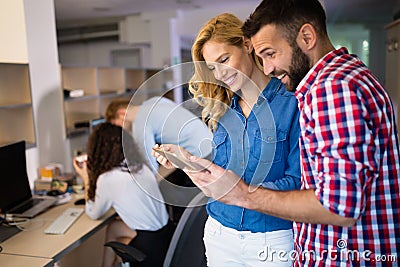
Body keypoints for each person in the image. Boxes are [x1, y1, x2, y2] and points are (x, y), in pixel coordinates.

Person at [177, 1, 400, 266]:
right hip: (225, 233)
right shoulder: (229, 107)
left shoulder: (329, 90)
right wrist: (194, 165)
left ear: (307, 37)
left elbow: (338, 203)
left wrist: (244, 194)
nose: (268, 67)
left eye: (270, 53)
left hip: (300, 245)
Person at [154, 13, 301, 266]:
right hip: (220, 234)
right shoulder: (222, 110)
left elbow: (299, 182)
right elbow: (224, 173)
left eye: (224, 59)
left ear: (246, 44)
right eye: (212, 67)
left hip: (272, 239)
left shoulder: (291, 103)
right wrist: (186, 160)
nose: (220, 73)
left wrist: (243, 193)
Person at [73, 122, 169, 267]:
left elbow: (93, 213)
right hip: (165, 238)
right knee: (113, 227)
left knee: (115, 235)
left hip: (150, 250)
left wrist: (85, 177)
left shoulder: (108, 179)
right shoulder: (140, 167)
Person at [104, 97, 212, 175]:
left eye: (116, 124)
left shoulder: (140, 123)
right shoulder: (154, 101)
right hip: (210, 140)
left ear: (122, 113)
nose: (119, 129)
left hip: (200, 156)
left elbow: (151, 166)